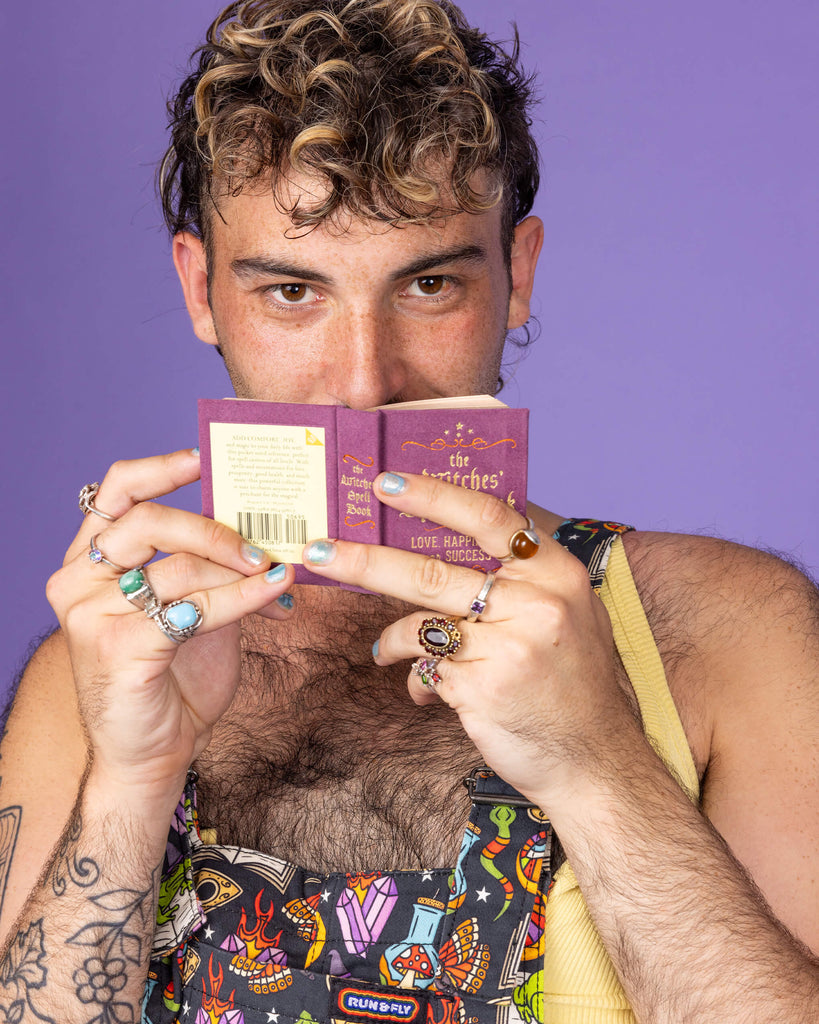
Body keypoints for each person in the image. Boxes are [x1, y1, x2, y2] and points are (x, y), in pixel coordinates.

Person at [1, 0, 817, 1021]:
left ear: (516, 276)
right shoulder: (103, 661)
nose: (362, 382)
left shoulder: (731, 631)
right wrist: (130, 779)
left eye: (428, 283)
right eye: (292, 292)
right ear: (201, 289)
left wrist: (602, 767)